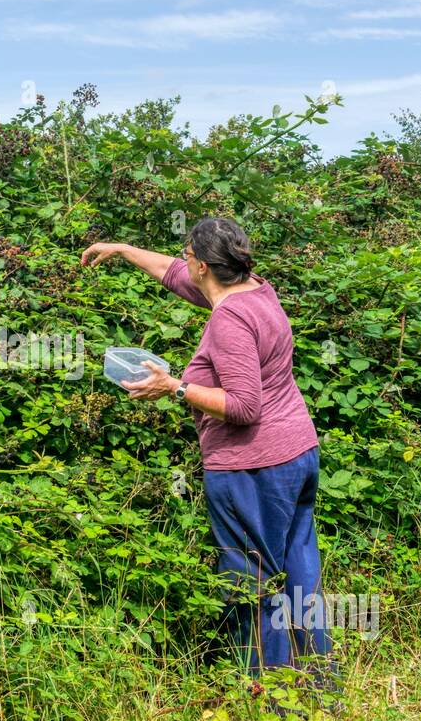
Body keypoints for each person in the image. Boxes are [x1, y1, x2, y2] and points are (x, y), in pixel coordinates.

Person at [80, 217, 337, 691]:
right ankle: (317, 686)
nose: (184, 264)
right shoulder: (256, 290)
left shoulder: (229, 321)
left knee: (251, 582)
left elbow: (243, 406)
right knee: (301, 573)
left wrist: (174, 387)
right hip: (297, 452)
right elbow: (175, 274)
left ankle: (270, 697)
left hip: (254, 466)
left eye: (188, 256)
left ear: (204, 265)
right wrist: (122, 248)